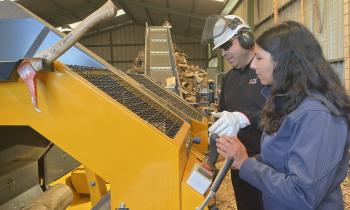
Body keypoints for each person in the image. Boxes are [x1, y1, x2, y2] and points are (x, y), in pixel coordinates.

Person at [216, 20, 350, 210]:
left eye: (259, 58)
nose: (253, 65)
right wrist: (247, 159)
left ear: (284, 61)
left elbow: (302, 195)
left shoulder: (317, 115)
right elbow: (282, 158)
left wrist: (246, 163)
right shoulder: (292, 104)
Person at [201, 15, 266, 210]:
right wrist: (211, 159)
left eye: (227, 45)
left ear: (246, 38)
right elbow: (223, 120)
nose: (223, 53)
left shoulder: (269, 70)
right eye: (220, 48)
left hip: (270, 167)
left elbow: (283, 114)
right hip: (239, 167)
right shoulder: (228, 79)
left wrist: (244, 117)